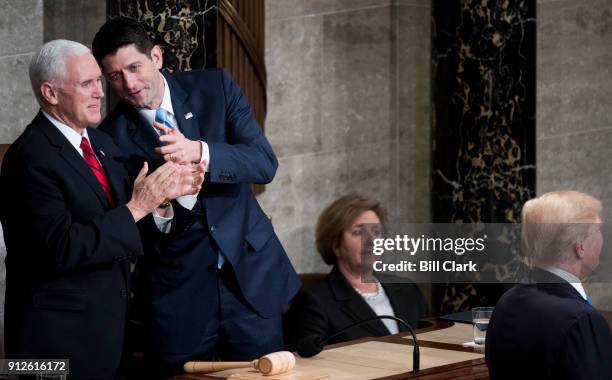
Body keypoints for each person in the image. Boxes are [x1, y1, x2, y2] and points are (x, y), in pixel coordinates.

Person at [91, 17, 300, 376]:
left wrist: (200, 151)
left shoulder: (215, 86)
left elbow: (264, 163)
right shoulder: (109, 139)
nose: (129, 83)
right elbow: (133, 231)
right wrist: (167, 203)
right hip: (179, 297)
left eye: (134, 67)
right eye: (114, 76)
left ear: (156, 56)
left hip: (249, 282)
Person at [0, 40, 203, 379]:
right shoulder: (28, 158)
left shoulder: (102, 144)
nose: (99, 92)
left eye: (98, 81)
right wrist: (140, 205)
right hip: (52, 351)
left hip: (110, 338)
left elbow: (128, 228)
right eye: (86, 84)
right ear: (50, 93)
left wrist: (167, 200)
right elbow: (63, 248)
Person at [486, 191, 612, 380]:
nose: (602, 239)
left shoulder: (507, 301)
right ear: (581, 247)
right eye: (598, 231)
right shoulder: (582, 320)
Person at [284, 194, 428, 350]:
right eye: (358, 232)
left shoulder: (407, 289)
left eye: (376, 232)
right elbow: (308, 364)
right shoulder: (314, 303)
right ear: (335, 245)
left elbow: (432, 345)